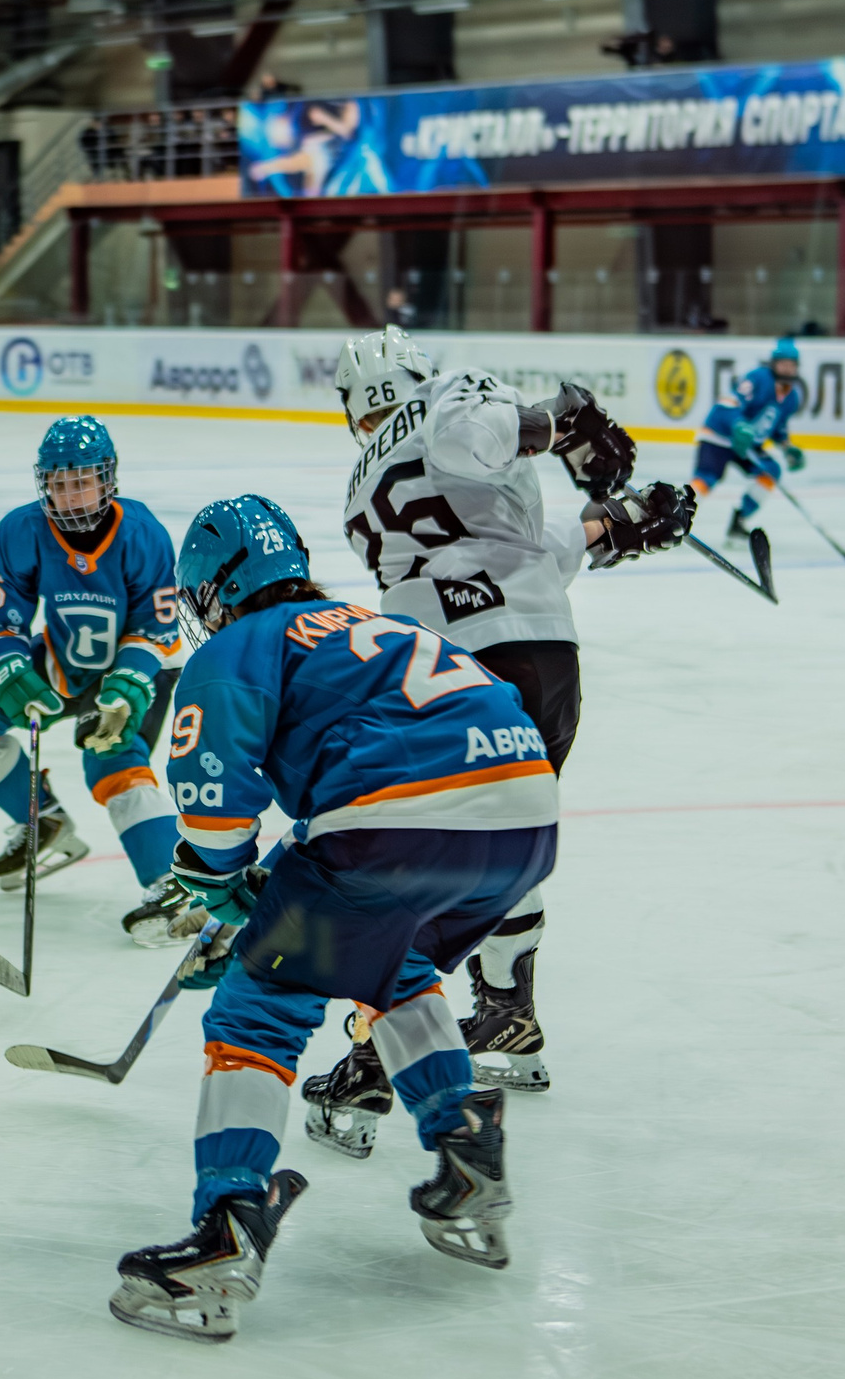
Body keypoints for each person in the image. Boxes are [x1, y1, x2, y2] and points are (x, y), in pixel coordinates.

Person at [107, 495, 563, 1344]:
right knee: (385, 959)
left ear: (214, 591)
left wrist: (223, 897)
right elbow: (346, 802)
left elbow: (212, 824)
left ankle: (225, 1230)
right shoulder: (370, 624)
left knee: (257, 1005)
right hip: (526, 819)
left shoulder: (245, 642)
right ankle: (466, 1147)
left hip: (400, 820)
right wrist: (265, 900)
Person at [294, 328, 691, 1151]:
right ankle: (508, 1016)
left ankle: (377, 1057)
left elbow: (469, 524)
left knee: (419, 859)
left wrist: (593, 489)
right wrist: (595, 487)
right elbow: (504, 517)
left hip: (450, 676)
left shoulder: (360, 483)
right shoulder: (452, 394)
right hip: (542, 659)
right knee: (491, 842)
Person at [0, 417, 199, 945]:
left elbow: (159, 627)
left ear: (107, 479)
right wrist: (10, 668)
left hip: (139, 667)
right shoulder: (21, 530)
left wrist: (128, 685)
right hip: (62, 662)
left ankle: (175, 886)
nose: (69, 494)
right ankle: (43, 821)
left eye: (82, 480)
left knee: (111, 757)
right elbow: (4, 619)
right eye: (58, 481)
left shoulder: (142, 534)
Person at [689, 338, 807, 538]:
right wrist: (738, 423)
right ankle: (675, 513)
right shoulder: (758, 378)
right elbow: (731, 401)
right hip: (719, 435)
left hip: (747, 445)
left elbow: (777, 428)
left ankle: (739, 521)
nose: (787, 369)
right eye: (783, 364)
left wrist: (787, 448)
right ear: (774, 364)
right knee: (707, 478)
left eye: (791, 365)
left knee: (771, 471)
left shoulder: (792, 398)